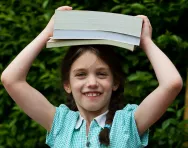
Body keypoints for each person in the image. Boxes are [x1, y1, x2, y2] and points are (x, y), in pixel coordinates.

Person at [1, 6, 183, 148]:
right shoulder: (60, 124)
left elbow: (172, 83)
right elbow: (11, 79)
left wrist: (146, 42)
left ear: (115, 82)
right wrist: (47, 33)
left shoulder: (129, 123)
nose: (92, 83)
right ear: (67, 84)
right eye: (81, 75)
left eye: (102, 74)